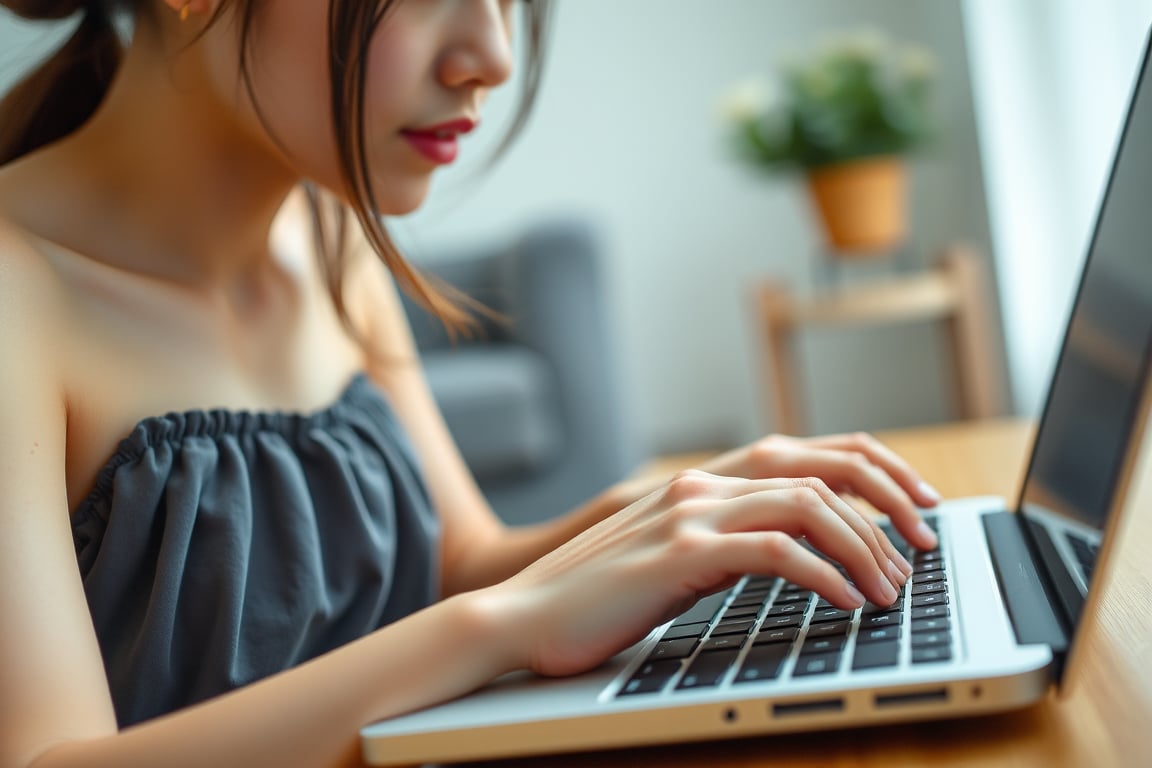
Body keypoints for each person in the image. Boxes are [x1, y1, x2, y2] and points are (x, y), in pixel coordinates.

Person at [0, 1, 943, 766]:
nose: (490, 53)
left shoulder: (330, 241)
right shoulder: (18, 296)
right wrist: (502, 626)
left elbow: (461, 566)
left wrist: (685, 510)